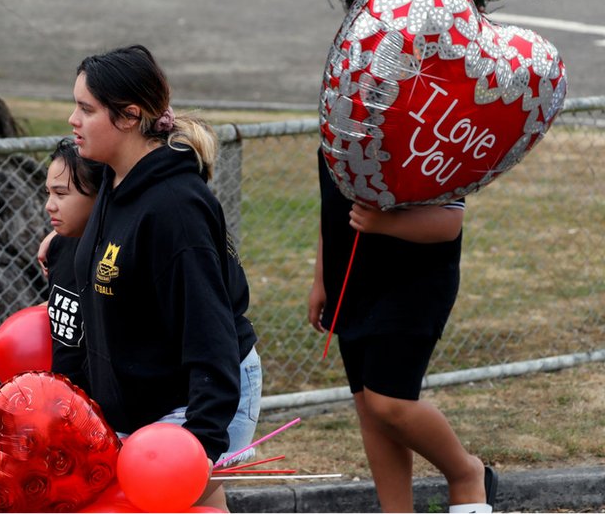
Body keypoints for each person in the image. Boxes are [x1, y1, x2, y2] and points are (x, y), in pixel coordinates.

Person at [68, 45, 261, 511]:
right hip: (145, 402)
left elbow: (209, 329)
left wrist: (199, 442)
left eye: (85, 109)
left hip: (197, 401)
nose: (72, 119)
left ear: (130, 116)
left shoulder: (176, 208)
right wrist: (60, 251)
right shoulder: (115, 178)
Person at [308, 148, 497, 513]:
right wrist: (321, 279)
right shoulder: (339, 133)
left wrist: (385, 224)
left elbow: (448, 223)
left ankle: (466, 473)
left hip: (414, 283)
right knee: (368, 406)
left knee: (389, 402)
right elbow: (330, 211)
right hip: (351, 282)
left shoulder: (424, 136)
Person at [42, 139, 104, 393]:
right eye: (48, 193)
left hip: (106, 412)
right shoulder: (58, 247)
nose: (49, 205)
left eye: (61, 194)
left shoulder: (109, 257)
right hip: (66, 405)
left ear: (99, 195)